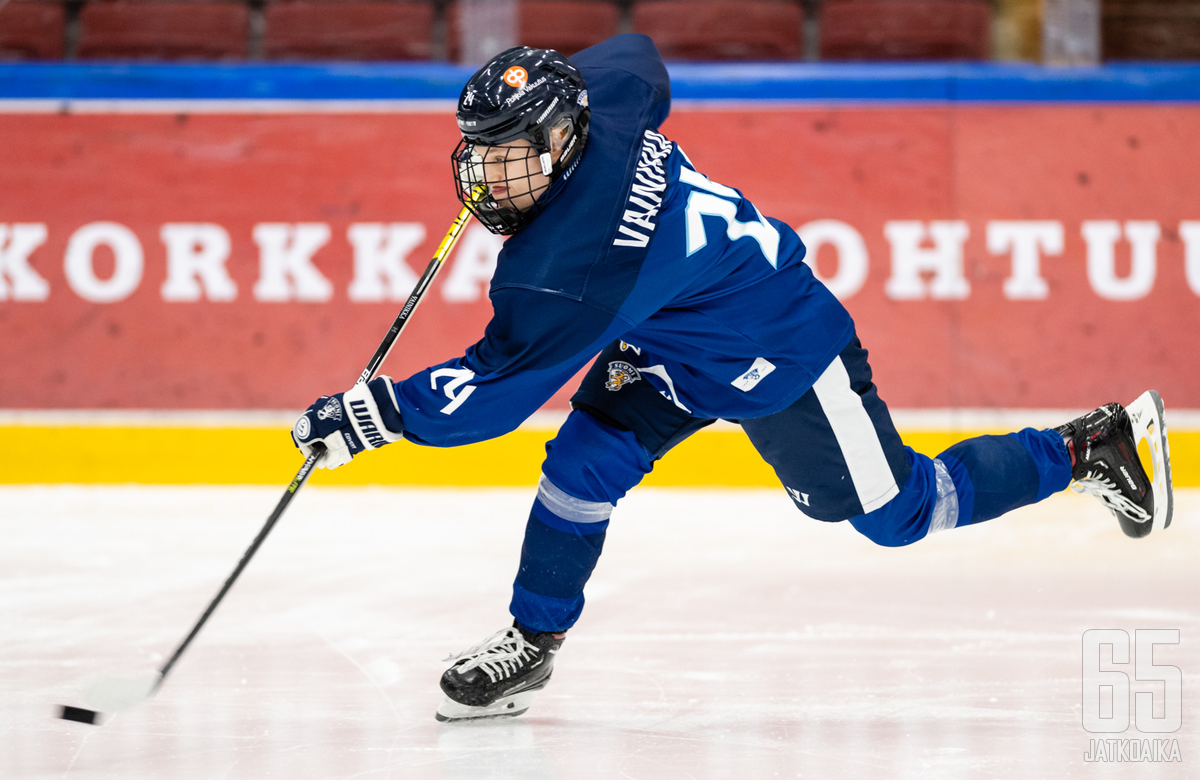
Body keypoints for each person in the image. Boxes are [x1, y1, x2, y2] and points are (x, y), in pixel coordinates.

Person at [290, 35, 1174, 722]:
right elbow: (638, 56)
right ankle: (533, 639)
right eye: (479, 150)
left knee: (905, 514)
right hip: (675, 341)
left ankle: (1092, 445)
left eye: (511, 151)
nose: (487, 174)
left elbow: (489, 395)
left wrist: (374, 413)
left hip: (779, 352)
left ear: (562, 139)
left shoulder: (570, 264)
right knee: (578, 469)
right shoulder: (608, 99)